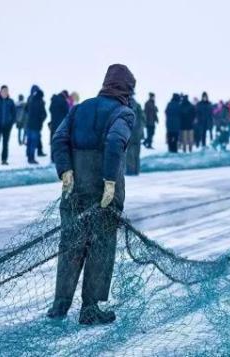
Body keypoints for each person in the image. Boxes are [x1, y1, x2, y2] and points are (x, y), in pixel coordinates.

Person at [49, 64, 136, 325]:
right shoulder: (124, 113)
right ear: (126, 89)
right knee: (100, 247)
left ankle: (59, 305)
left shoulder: (79, 109)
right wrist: (110, 181)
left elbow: (59, 138)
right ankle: (90, 309)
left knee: (70, 245)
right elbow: (114, 142)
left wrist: (65, 170)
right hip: (102, 194)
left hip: (74, 191)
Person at [26, 88, 47, 164]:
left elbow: (26, 110)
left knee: (29, 141)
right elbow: (44, 114)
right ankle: (31, 158)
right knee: (33, 143)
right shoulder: (41, 102)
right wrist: (40, 121)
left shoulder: (30, 100)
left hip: (29, 124)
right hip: (36, 126)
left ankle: (28, 155)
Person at [126, 97, 145, 175]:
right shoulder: (138, 106)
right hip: (138, 133)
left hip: (130, 134)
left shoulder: (126, 106)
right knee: (136, 153)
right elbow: (143, 120)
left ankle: (130, 171)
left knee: (129, 153)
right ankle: (136, 171)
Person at [49, 91, 70, 159]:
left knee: (53, 141)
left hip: (53, 123)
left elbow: (50, 110)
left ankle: (52, 157)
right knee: (59, 142)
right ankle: (56, 158)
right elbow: (67, 113)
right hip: (60, 125)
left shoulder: (53, 100)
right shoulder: (63, 101)